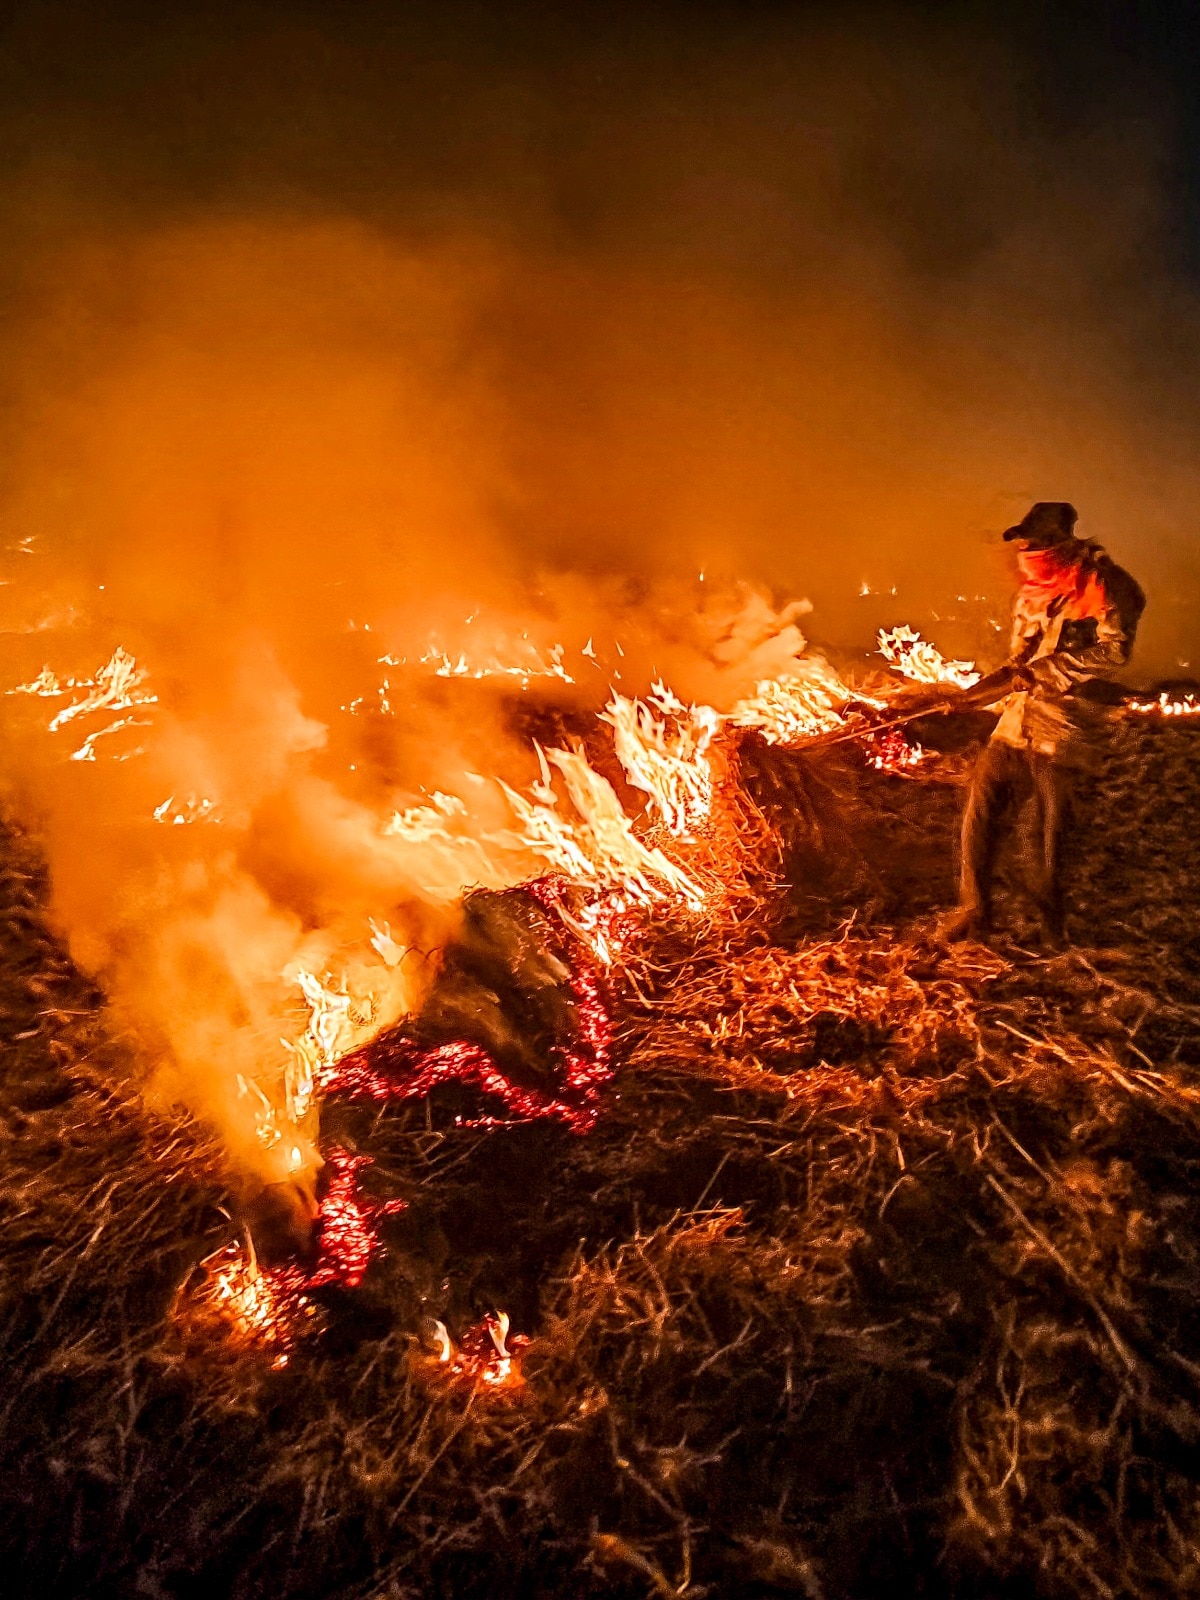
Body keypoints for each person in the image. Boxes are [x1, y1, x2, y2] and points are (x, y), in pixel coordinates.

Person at [941, 501, 1144, 946]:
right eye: (1024, 544)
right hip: (1015, 725)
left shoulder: (1104, 587)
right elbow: (1017, 664)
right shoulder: (1031, 595)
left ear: (1061, 543)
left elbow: (1114, 653)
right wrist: (970, 698)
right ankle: (975, 913)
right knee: (979, 816)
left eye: (1036, 544)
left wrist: (1045, 672)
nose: (1027, 552)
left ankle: (1053, 930)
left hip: (1065, 727)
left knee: (1050, 838)